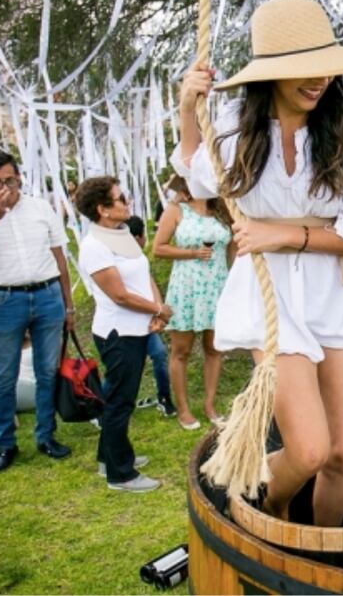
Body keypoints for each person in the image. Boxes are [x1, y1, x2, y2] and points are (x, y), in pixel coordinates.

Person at [173, 0, 343, 523]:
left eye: (325, 67)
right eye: (304, 69)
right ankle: (274, 504)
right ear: (269, 74)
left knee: (341, 454)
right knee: (310, 450)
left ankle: (322, 549)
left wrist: (284, 234)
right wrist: (187, 109)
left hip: (340, 292)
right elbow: (199, 178)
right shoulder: (236, 123)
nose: (319, 81)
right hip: (270, 294)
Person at [0, 152, 75, 474]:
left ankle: (46, 436)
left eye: (10, 180)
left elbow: (59, 258)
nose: (5, 188)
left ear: (19, 177)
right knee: (4, 376)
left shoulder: (40, 207)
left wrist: (68, 304)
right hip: (4, 299)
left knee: (47, 371)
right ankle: (5, 444)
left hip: (47, 294)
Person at [75, 176, 168, 492]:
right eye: (120, 198)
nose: (128, 202)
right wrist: (158, 309)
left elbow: (143, 274)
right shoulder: (94, 246)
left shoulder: (122, 233)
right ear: (102, 209)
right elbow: (120, 295)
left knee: (119, 397)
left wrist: (156, 309)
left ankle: (108, 457)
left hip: (137, 327)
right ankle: (121, 475)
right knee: (120, 402)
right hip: (118, 333)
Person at [153, 175, 233, 430]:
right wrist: (191, 253)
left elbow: (231, 249)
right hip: (187, 287)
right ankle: (184, 409)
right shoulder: (177, 210)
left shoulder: (222, 211)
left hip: (217, 286)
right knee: (181, 350)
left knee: (214, 348)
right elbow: (158, 248)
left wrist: (234, 279)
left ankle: (210, 405)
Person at [124, 215, 176, 417]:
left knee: (159, 354)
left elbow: (150, 284)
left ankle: (164, 397)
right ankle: (105, 404)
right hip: (127, 322)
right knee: (124, 366)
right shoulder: (116, 261)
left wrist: (158, 312)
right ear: (139, 238)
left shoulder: (139, 260)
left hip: (146, 320)